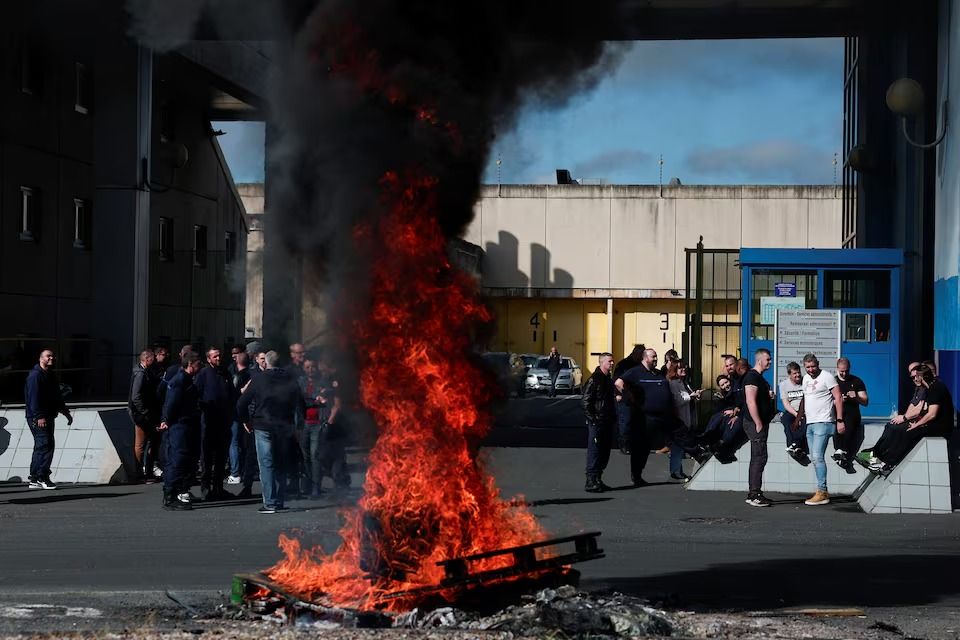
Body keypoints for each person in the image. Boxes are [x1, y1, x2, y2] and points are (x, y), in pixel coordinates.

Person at [236, 350, 305, 514]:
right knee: (280, 462)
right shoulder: (290, 378)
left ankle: (270, 503)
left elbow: (241, 403)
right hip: (283, 426)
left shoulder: (259, 378)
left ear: (265, 363)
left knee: (266, 464)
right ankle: (279, 500)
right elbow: (300, 403)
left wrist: (245, 420)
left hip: (263, 425)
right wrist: (299, 426)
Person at [867, 364, 954, 475]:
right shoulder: (928, 388)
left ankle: (888, 463)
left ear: (922, 377)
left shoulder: (936, 388)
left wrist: (916, 425)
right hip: (933, 423)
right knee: (902, 428)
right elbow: (923, 409)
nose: (915, 379)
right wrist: (915, 420)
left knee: (909, 431)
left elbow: (932, 414)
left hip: (942, 426)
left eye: (917, 376)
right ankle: (879, 458)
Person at [857, 362, 925, 467]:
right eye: (912, 376)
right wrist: (903, 417)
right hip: (914, 420)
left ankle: (885, 460)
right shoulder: (918, 388)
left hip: (923, 424)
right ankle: (874, 453)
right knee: (891, 425)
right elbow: (912, 406)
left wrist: (905, 418)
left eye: (916, 375)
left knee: (898, 430)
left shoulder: (928, 388)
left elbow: (920, 409)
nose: (915, 379)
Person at [797, 353, 844, 506]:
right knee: (814, 458)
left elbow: (838, 397)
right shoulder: (805, 379)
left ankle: (822, 491)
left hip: (824, 422)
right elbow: (806, 398)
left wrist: (839, 420)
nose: (811, 370)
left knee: (818, 457)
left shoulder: (827, 376)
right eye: (808, 367)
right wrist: (799, 418)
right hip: (810, 423)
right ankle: (821, 491)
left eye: (813, 366)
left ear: (818, 363)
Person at [159, 352, 203, 511]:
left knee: (184, 459)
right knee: (177, 459)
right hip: (179, 425)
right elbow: (171, 403)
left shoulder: (187, 380)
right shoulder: (180, 381)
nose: (200, 367)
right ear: (191, 364)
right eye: (198, 364)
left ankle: (178, 491)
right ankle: (170, 495)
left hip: (186, 424)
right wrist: (166, 420)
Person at [24, 349, 73, 489]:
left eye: (53, 355)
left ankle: (34, 477)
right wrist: (39, 416)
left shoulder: (50, 375)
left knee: (41, 446)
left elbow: (56, 396)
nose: (51, 358)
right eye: (48, 356)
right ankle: (42, 476)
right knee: (46, 446)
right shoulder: (35, 376)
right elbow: (34, 398)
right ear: (41, 358)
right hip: (39, 417)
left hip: (48, 415)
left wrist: (65, 412)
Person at [195, 346, 236, 500]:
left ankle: (218, 488)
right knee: (206, 457)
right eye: (215, 356)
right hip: (209, 422)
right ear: (208, 359)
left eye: (219, 356)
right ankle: (206, 489)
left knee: (221, 457)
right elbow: (196, 395)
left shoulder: (225, 373)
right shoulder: (203, 374)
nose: (218, 359)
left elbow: (232, 395)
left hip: (224, 422)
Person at [742, 349, 775, 507]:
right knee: (759, 457)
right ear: (760, 360)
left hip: (760, 421)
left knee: (760, 456)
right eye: (767, 359)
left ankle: (756, 492)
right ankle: (754, 494)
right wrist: (758, 422)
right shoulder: (752, 376)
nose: (770, 362)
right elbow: (750, 401)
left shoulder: (759, 378)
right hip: (754, 423)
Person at [582, 353, 617, 492]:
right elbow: (585, 401)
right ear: (602, 362)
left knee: (604, 452)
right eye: (610, 361)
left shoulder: (608, 380)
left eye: (613, 361)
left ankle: (598, 479)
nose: (612, 363)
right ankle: (590, 481)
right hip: (597, 421)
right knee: (595, 451)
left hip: (607, 421)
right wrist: (593, 419)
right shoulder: (594, 379)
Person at [128, 348, 162, 483]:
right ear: (147, 359)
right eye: (152, 358)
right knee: (141, 444)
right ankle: (139, 473)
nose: (154, 361)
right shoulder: (141, 374)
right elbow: (136, 396)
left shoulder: (143, 372)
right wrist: (144, 411)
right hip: (142, 414)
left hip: (144, 413)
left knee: (148, 442)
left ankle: (146, 471)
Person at [666, 360, 702, 481]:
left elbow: (689, 398)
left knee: (679, 446)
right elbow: (677, 400)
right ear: (674, 370)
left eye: (685, 368)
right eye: (680, 368)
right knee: (679, 446)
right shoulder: (673, 383)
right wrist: (690, 397)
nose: (683, 370)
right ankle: (676, 471)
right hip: (679, 419)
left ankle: (677, 471)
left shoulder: (685, 382)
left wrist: (696, 395)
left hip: (688, 417)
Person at [832, 357, 868, 470]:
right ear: (837, 369)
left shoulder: (856, 381)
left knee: (849, 422)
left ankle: (841, 451)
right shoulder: (833, 382)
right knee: (837, 422)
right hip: (837, 413)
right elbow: (826, 400)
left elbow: (865, 401)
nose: (844, 373)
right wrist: (838, 400)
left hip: (852, 413)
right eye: (841, 371)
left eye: (846, 371)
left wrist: (856, 397)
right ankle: (840, 451)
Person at [613, 345, 644, 454]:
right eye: (641, 355)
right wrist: (621, 394)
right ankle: (624, 444)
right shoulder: (624, 364)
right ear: (635, 353)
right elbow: (616, 381)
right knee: (625, 421)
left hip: (638, 398)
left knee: (636, 422)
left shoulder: (640, 365)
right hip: (625, 397)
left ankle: (633, 443)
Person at [227, 351, 252, 485]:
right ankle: (245, 470)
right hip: (249, 412)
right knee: (245, 443)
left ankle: (235, 473)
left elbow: (234, 393)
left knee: (234, 442)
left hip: (237, 412)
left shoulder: (237, 377)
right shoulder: (253, 375)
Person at [778, 362, 809, 465]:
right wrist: (797, 416)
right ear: (789, 374)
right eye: (795, 373)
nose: (798, 375)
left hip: (805, 410)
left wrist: (800, 416)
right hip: (791, 410)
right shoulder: (783, 385)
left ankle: (794, 445)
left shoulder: (806, 381)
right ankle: (795, 445)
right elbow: (786, 404)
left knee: (805, 423)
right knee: (786, 420)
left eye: (799, 373)